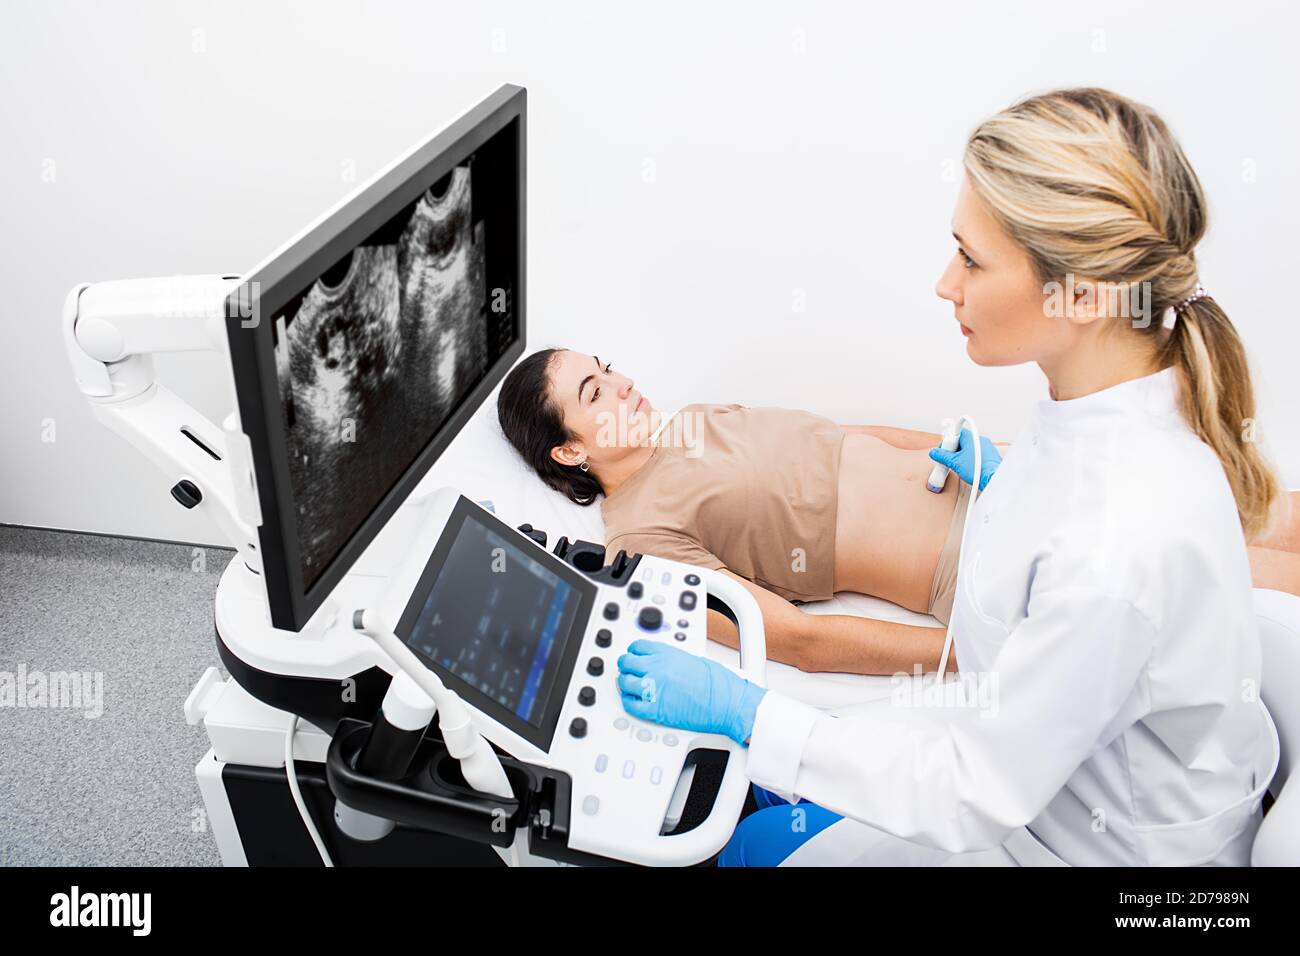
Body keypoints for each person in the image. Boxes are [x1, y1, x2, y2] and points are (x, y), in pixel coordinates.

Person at [615, 88, 1285, 866]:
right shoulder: (1104, 406)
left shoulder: (1116, 543)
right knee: (761, 819)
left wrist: (754, 715)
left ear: (1084, 295)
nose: (945, 283)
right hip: (1045, 768)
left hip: (1109, 853)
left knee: (750, 851)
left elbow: (970, 793)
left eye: (971, 258)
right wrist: (1009, 494)